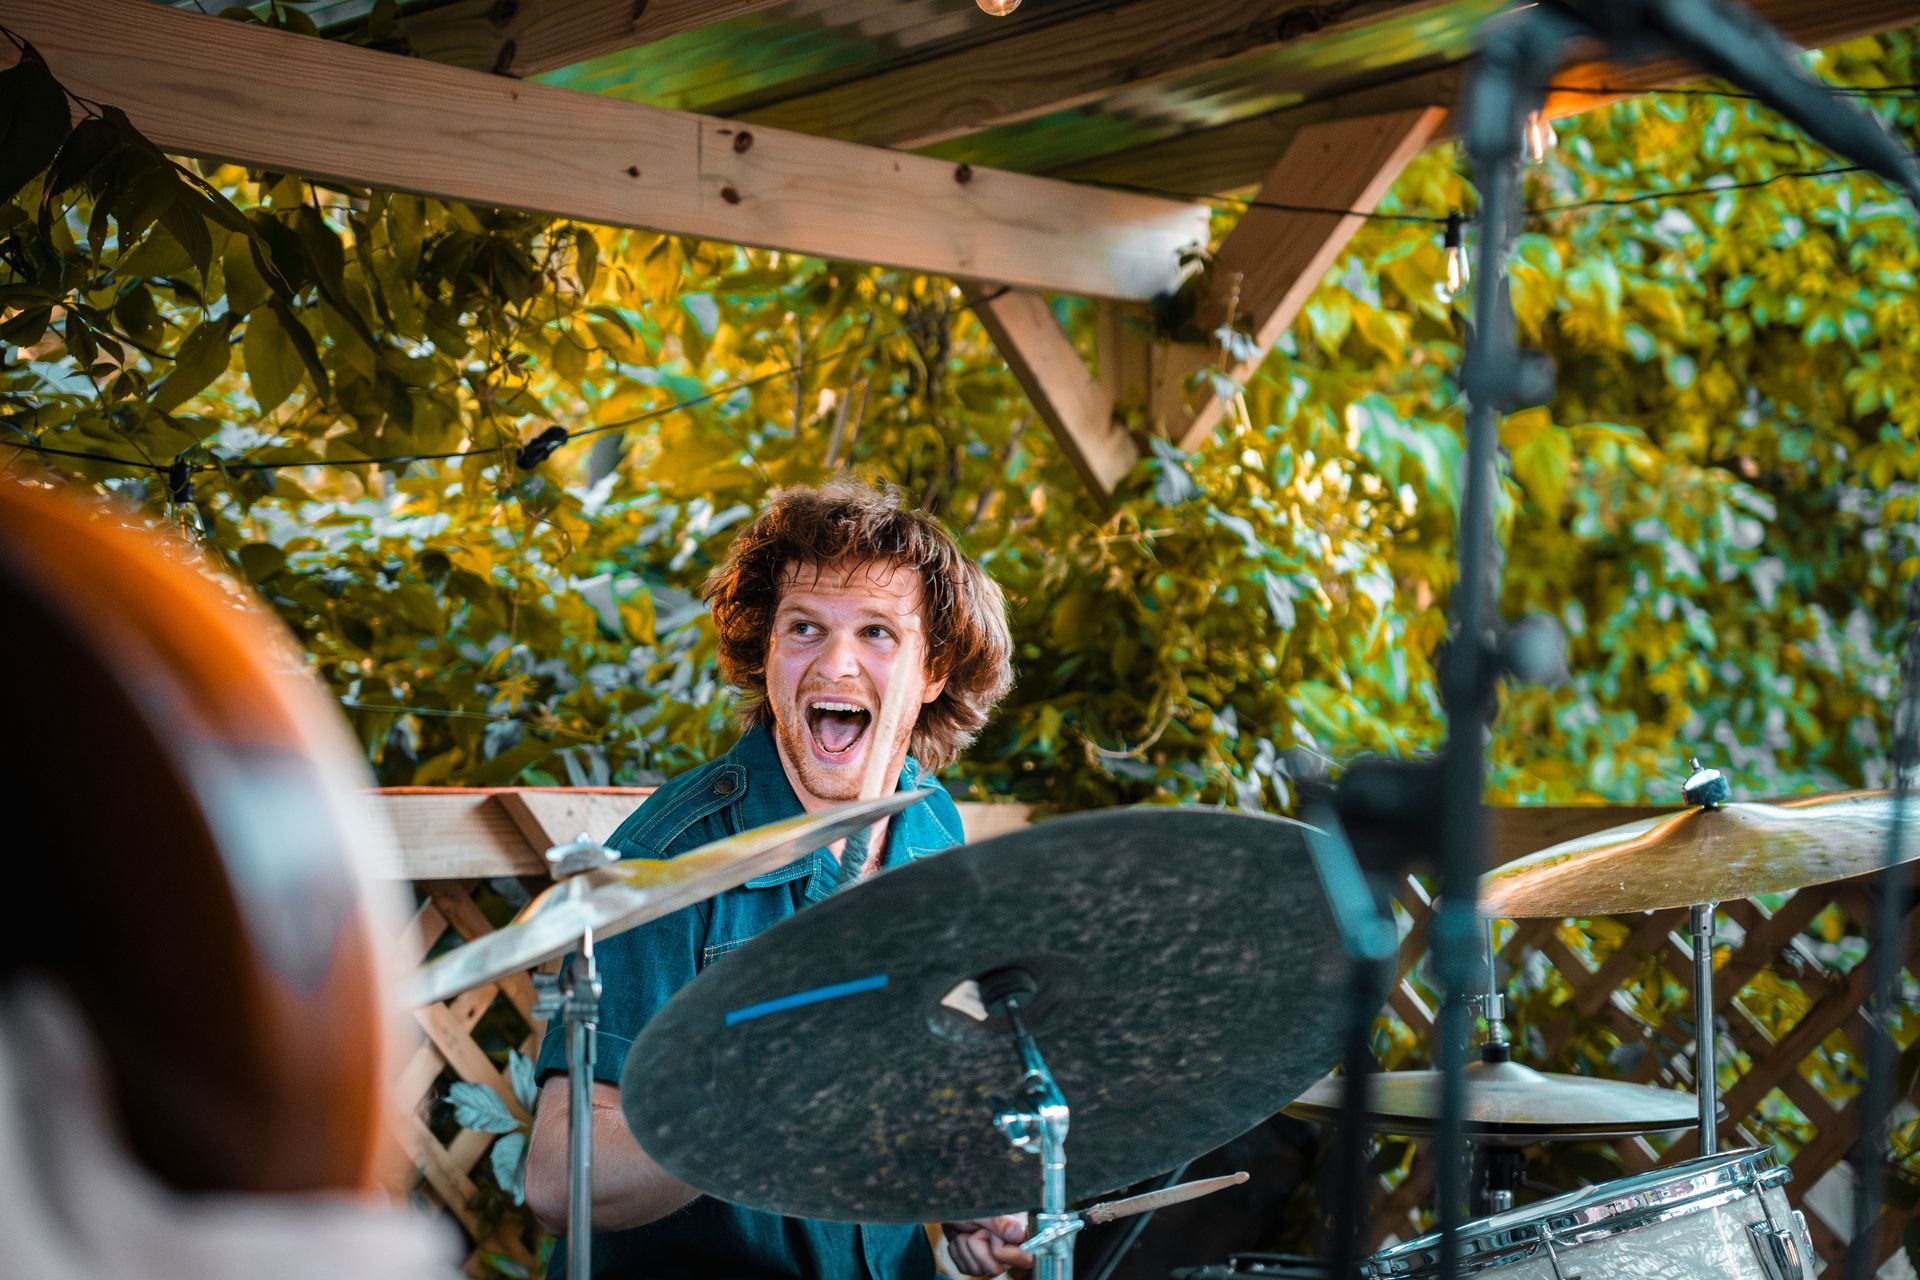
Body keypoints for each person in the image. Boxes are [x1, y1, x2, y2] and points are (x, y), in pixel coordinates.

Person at [525, 479, 1028, 1279]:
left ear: (933, 671)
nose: (835, 662)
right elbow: (559, 1180)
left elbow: (919, 1104)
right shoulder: (667, 862)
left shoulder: (933, 829)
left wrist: (963, 1200)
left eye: (877, 632)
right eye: (804, 628)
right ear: (766, 656)